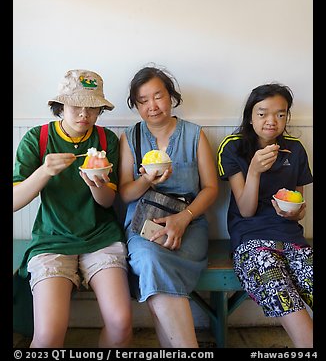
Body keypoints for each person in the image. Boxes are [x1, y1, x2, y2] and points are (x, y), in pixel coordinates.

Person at [13, 69, 132, 348]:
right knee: (49, 335)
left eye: (92, 107)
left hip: (101, 237)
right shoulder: (37, 139)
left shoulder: (105, 141)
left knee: (121, 323)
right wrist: (44, 172)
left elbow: (106, 201)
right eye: (76, 104)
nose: (84, 113)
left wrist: (95, 182)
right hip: (52, 240)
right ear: (61, 105)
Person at [119, 65, 218, 348]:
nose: (152, 106)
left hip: (189, 224)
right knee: (149, 258)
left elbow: (211, 189)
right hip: (142, 225)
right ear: (135, 105)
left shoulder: (194, 135)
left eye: (158, 96)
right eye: (143, 100)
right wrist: (147, 180)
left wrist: (184, 218)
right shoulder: (131, 137)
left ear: (171, 96)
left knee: (153, 266)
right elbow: (126, 193)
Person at [217, 83, 313, 348]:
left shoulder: (295, 149)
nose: (272, 121)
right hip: (251, 241)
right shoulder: (233, 147)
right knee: (287, 300)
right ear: (250, 116)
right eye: (262, 113)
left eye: (280, 114)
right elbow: (246, 210)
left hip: (292, 239)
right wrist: (255, 171)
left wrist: (297, 212)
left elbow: (297, 204)